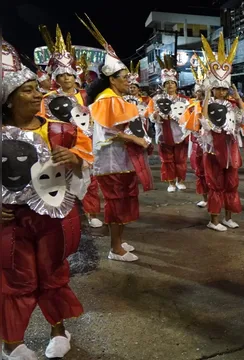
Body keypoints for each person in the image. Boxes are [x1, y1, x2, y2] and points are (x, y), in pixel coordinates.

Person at [1, 40, 93, 360]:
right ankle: (12, 343)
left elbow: (85, 166)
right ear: (8, 101)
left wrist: (75, 159)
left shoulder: (61, 131)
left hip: (53, 216)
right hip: (11, 221)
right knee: (15, 279)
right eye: (27, 91)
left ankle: (59, 330)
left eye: (35, 88)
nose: (38, 94)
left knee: (53, 273)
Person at [80, 14, 153, 262]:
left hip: (120, 161)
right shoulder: (108, 99)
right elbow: (111, 130)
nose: (128, 82)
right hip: (111, 162)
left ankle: (119, 241)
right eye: (125, 78)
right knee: (116, 204)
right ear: (112, 79)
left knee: (123, 202)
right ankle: (115, 248)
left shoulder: (116, 98)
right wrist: (137, 141)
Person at [199, 33, 244, 231]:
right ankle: (214, 220)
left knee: (232, 184)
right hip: (213, 150)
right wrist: (207, 97)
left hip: (231, 149)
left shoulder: (231, 104)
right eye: (217, 89)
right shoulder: (207, 104)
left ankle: (228, 217)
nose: (221, 92)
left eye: (224, 89)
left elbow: (243, 120)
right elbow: (204, 123)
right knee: (216, 185)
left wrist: (238, 98)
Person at [146, 55, 189, 192]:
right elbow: (150, 115)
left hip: (180, 134)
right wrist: (156, 115)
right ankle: (170, 183)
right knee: (167, 160)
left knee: (181, 160)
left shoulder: (184, 100)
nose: (170, 85)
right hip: (163, 134)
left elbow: (189, 117)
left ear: (176, 85)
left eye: (172, 83)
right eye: (167, 83)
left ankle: (180, 180)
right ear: (163, 85)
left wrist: (179, 117)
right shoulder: (156, 99)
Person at [38, 25, 88, 118]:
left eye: (69, 74)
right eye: (61, 75)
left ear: (75, 77)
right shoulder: (49, 98)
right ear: (56, 79)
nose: (66, 78)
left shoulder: (86, 95)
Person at [182, 62, 209, 208]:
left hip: (212, 143)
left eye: (203, 92)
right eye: (198, 91)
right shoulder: (191, 106)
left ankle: (215, 197)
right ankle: (205, 198)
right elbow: (186, 124)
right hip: (197, 142)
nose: (200, 94)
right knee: (200, 170)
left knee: (213, 171)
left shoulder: (214, 106)